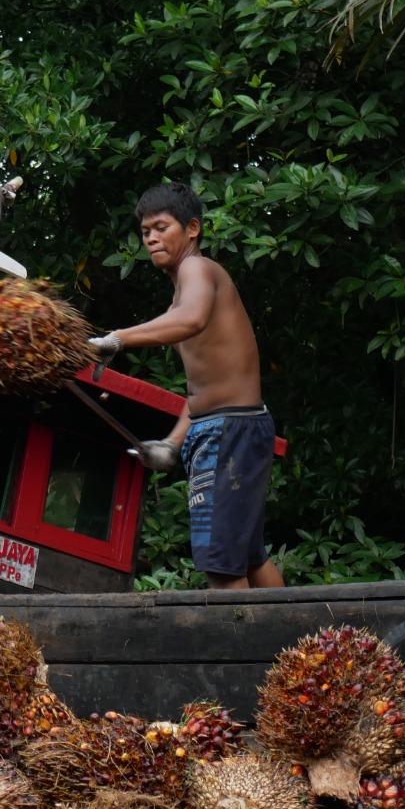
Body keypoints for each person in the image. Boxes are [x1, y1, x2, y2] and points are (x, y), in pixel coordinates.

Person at [88, 183, 283, 590]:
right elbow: (201, 391)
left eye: (162, 227)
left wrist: (118, 337)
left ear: (192, 228)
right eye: (145, 232)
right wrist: (174, 443)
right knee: (247, 558)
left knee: (223, 568)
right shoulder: (181, 294)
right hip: (228, 426)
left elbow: (191, 320)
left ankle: (242, 653)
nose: (152, 239)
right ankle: (292, 649)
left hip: (231, 430)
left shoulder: (198, 269)